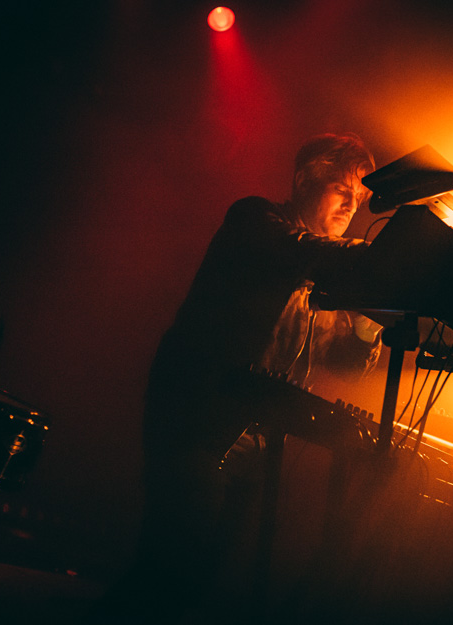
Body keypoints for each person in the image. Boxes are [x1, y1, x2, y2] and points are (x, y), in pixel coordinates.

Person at [91, 133, 383, 623]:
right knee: (171, 563)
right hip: (198, 412)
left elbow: (346, 367)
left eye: (359, 198)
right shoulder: (255, 219)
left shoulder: (327, 272)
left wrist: (368, 329)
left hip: (257, 433)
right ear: (303, 181)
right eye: (341, 190)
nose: (352, 206)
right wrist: (384, 263)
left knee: (202, 573)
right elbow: (303, 252)